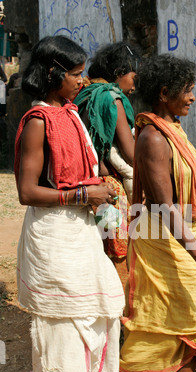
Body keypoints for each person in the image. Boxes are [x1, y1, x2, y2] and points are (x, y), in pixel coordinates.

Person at [14, 36, 125, 372]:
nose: (83, 80)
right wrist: (82, 196)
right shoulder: (38, 121)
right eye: (76, 74)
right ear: (51, 73)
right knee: (62, 317)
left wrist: (101, 184)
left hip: (82, 230)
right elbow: (27, 192)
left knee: (102, 305)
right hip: (54, 233)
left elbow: (82, 170)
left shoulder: (70, 111)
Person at [119, 54, 196, 372]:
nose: (194, 97)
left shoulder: (171, 128)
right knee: (182, 320)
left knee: (188, 323)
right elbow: (162, 205)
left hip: (182, 234)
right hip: (164, 240)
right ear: (164, 94)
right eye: (188, 90)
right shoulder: (152, 137)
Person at [74, 42, 140, 273]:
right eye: (133, 77)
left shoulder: (82, 93)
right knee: (119, 253)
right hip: (109, 186)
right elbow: (131, 154)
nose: (134, 86)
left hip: (83, 183)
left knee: (97, 247)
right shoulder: (112, 98)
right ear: (119, 73)